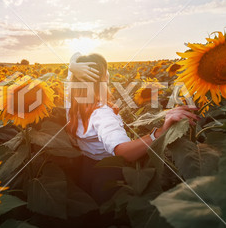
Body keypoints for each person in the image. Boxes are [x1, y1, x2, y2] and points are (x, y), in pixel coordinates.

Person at [65, 52, 198, 204]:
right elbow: (123, 151)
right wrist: (159, 132)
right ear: (103, 79)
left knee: (94, 214)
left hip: (87, 169)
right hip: (110, 174)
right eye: (106, 71)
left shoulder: (71, 102)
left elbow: (74, 67)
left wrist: (72, 66)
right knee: (110, 216)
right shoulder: (102, 114)